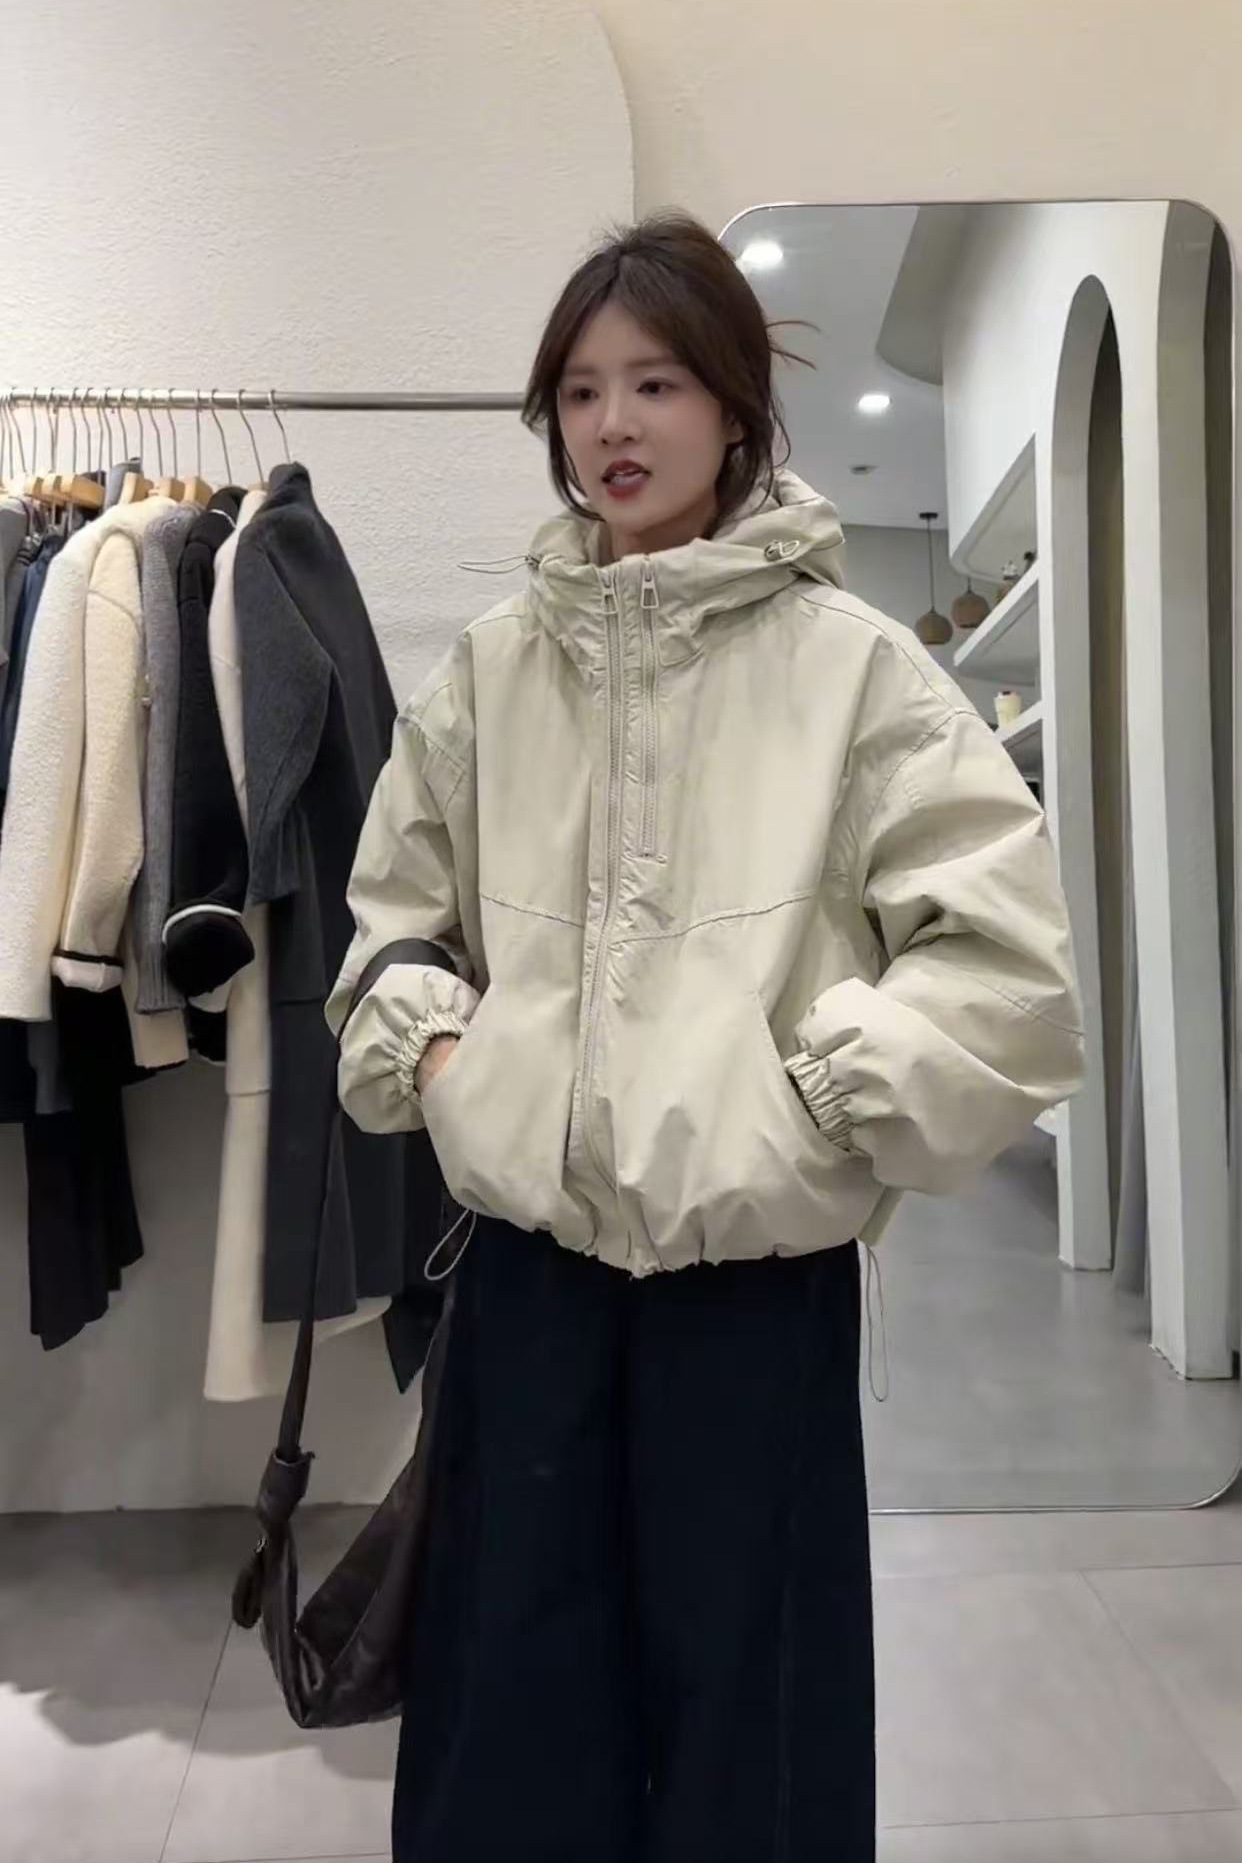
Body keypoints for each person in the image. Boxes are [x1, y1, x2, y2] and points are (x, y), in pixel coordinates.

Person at [325, 210, 1086, 1863]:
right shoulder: (490, 674)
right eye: (580, 390)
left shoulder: (859, 675)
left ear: (734, 409)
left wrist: (806, 1100)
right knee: (510, 1704)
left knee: (754, 1717)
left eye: (656, 382)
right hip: (526, 1282)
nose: (613, 424)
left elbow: (1003, 966)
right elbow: (391, 924)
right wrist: (452, 1067)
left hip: (754, 1291)